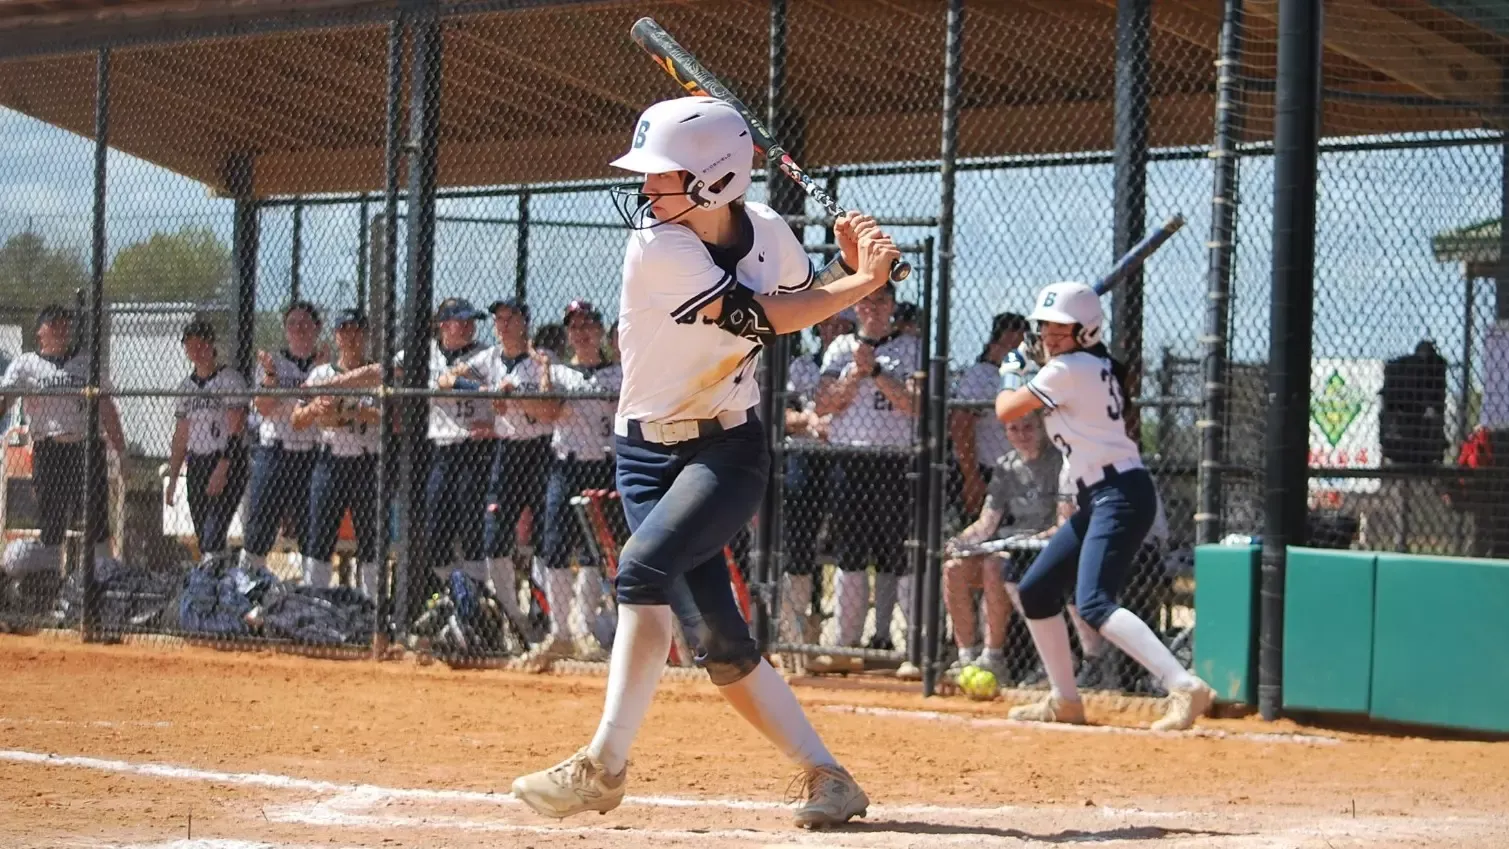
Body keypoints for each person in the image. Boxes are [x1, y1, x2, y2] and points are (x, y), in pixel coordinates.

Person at [511, 95, 899, 828]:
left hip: (725, 447)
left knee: (639, 570)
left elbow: (802, 302)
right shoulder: (656, 246)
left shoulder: (774, 235)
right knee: (716, 638)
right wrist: (860, 281)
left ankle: (602, 764)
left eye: (663, 176)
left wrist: (848, 272)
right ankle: (829, 776)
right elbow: (760, 317)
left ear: (718, 179)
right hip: (641, 452)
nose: (646, 190)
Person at [993, 280, 1212, 731]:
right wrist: (1042, 362)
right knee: (1036, 589)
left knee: (1093, 602)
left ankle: (1183, 684)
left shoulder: (1068, 369)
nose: (1049, 338)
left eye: (1061, 331)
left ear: (1087, 331)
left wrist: (1010, 372)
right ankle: (1065, 699)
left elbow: (1008, 410)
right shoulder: (1093, 364)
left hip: (1120, 494)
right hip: (1101, 494)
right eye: (1046, 330)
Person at [811, 280, 919, 663]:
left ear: (892, 306)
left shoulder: (910, 348)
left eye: (882, 300)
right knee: (850, 554)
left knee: (901, 554)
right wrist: (855, 373)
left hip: (894, 461)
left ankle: (912, 649)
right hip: (849, 459)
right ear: (856, 308)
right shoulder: (840, 348)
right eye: (866, 301)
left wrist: (874, 373)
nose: (873, 307)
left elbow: (913, 405)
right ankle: (845, 643)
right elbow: (824, 403)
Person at [523, 300, 622, 665]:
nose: (581, 333)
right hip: (565, 468)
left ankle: (584, 631)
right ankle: (560, 633)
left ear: (599, 332)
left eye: (588, 326)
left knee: (595, 553)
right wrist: (547, 371)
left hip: (602, 467)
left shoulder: (617, 374)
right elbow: (548, 412)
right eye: (574, 327)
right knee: (554, 546)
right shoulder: (561, 373)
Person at [0, 304, 127, 575]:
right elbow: (6, 400)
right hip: (49, 448)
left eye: (65, 324)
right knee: (52, 516)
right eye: (54, 324)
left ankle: (101, 575)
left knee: (95, 514)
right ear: (40, 331)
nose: (61, 329)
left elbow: (107, 409)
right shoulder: (26, 364)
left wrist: (122, 451)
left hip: (85, 448)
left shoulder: (85, 362)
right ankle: (50, 577)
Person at [942, 410, 1060, 683]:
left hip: (1044, 546)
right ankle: (967, 656)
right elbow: (987, 523)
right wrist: (959, 542)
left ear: (1042, 427)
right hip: (1012, 541)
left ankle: (993, 657)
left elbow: (1062, 521)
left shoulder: (1057, 462)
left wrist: (1032, 539)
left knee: (994, 565)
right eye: (1014, 429)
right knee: (954, 568)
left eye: (1028, 428)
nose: (1022, 435)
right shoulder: (1005, 466)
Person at [779, 308, 854, 649]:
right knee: (799, 542)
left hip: (846, 456)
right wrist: (810, 420)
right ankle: (796, 633)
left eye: (841, 325)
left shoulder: (858, 362)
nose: (833, 331)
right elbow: (783, 414)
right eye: (828, 324)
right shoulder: (802, 365)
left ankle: (841, 635)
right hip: (805, 454)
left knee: (848, 541)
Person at [294, 309, 382, 597]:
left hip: (366, 462)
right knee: (320, 536)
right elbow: (297, 419)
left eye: (356, 330)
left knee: (370, 539)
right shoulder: (321, 374)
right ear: (335, 336)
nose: (350, 337)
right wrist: (315, 410)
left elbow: (389, 417)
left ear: (366, 335)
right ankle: (314, 600)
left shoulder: (377, 372)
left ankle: (372, 609)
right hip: (329, 461)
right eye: (344, 331)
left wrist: (352, 410)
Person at [242, 301, 323, 582]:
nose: (299, 329)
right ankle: (249, 588)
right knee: (260, 525)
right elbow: (263, 407)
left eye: (305, 324)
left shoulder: (325, 366)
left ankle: (313, 592)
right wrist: (273, 378)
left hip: (311, 455)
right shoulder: (272, 363)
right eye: (292, 324)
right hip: (274, 452)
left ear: (317, 329)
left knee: (311, 527)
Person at [165, 320, 250, 561]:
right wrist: (173, 478)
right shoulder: (186, 387)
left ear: (211, 344)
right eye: (190, 345)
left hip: (227, 459)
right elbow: (181, 434)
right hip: (198, 463)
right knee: (205, 537)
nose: (196, 350)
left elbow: (237, 426)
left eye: (201, 343)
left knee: (213, 534)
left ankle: (216, 580)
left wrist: (223, 466)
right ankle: (218, 580)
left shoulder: (229, 379)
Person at [950, 313, 1028, 517]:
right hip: (986, 470)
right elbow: (961, 426)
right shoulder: (981, 375)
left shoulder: (1019, 377)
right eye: (1011, 346)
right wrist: (971, 476)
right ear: (995, 344)